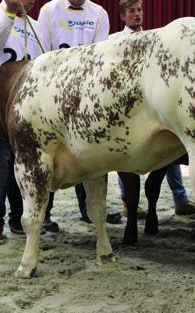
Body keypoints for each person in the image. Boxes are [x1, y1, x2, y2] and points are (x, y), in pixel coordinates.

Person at [37, 0, 121, 231]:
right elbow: (43, 52)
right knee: (50, 153)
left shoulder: (99, 13)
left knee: (87, 152)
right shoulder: (49, 11)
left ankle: (89, 210)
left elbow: (101, 56)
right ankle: (44, 213)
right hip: (53, 93)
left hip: (86, 95)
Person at [110, 0, 195, 217]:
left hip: (152, 102)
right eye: (131, 11)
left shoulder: (155, 38)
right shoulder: (113, 41)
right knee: (124, 156)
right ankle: (128, 203)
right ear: (123, 16)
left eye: (139, 10)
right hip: (128, 107)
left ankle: (180, 198)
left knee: (168, 148)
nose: (137, 14)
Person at [0, 0, 45, 244]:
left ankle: (18, 219)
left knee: (24, 166)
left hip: (28, 108)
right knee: (0, 167)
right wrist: (10, 12)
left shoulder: (36, 26)